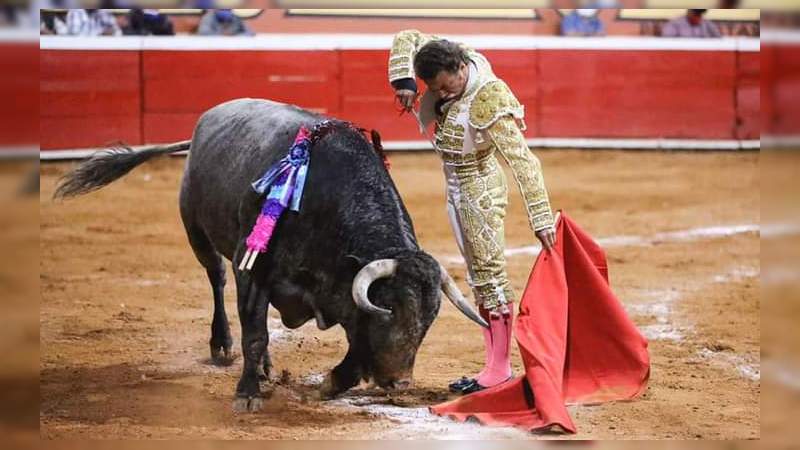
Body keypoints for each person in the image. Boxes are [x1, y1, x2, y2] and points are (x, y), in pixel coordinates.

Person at [388, 30, 556, 394]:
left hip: (479, 188)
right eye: (437, 90)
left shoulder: (489, 97)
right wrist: (403, 81)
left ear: (463, 68)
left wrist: (540, 216)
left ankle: (498, 368)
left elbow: (524, 162)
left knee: (489, 275)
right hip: (454, 189)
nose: (443, 97)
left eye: (448, 88)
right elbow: (408, 37)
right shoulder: (449, 56)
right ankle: (494, 363)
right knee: (479, 275)